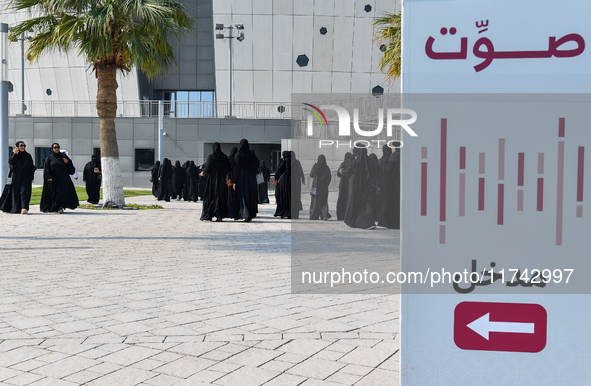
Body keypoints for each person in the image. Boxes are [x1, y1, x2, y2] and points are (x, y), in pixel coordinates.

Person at [344, 145, 377, 229]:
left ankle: (357, 221)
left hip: (357, 187)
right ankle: (370, 222)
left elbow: (350, 172)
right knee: (368, 204)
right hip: (369, 187)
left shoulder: (356, 162)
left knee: (357, 204)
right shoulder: (370, 160)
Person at [40, 143, 79, 213]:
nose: (57, 148)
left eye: (58, 147)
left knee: (61, 193)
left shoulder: (64, 157)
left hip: (63, 179)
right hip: (53, 179)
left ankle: (61, 207)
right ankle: (54, 207)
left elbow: (71, 169)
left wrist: (67, 162)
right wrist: (48, 177)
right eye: (55, 147)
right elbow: (46, 169)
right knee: (54, 193)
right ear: (52, 149)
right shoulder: (49, 158)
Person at [0, 141, 36, 214]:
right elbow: (11, 162)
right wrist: (15, 154)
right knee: (15, 192)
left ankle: (24, 207)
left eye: (24, 145)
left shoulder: (28, 155)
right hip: (16, 177)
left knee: (24, 191)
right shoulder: (14, 154)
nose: (23, 147)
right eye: (21, 145)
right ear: (17, 147)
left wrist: (32, 177)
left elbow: (31, 167)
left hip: (26, 176)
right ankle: (16, 208)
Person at [200, 143, 230, 221]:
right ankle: (219, 215)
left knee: (210, 197)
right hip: (222, 181)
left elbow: (208, 168)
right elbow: (228, 168)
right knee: (220, 197)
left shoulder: (211, 157)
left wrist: (203, 173)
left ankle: (209, 215)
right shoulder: (224, 157)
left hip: (212, 181)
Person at [232, 139, 259, 221]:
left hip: (242, 178)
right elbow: (257, 165)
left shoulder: (238, 155)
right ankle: (250, 214)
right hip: (251, 178)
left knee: (243, 195)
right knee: (250, 195)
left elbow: (236, 169)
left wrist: (234, 181)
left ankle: (245, 214)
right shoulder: (252, 155)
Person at [378, 146, 401, 229]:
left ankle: (388, 222)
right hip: (400, 183)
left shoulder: (393, 157)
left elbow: (389, 169)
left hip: (391, 183)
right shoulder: (402, 156)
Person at [309, 154, 332, 220]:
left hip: (314, 187)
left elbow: (311, 175)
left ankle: (314, 216)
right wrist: (326, 183)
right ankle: (324, 215)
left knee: (314, 200)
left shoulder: (315, 166)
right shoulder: (326, 168)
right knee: (324, 201)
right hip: (324, 187)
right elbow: (329, 177)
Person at [274, 151, 292, 219]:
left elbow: (279, 169)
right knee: (290, 197)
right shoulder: (294, 161)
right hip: (292, 180)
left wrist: (280, 161)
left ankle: (283, 212)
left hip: (284, 181)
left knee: (284, 197)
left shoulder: (284, 161)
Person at [336, 152, 353, 221]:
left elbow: (338, 174)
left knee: (342, 199)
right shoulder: (352, 164)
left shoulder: (342, 164)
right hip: (350, 184)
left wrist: (342, 172)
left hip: (343, 184)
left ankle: (341, 215)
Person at [227, 146, 239, 218]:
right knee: (236, 197)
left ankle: (229, 212)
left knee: (229, 196)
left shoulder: (228, 159)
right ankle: (236, 213)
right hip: (236, 181)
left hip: (229, 180)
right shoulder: (237, 159)